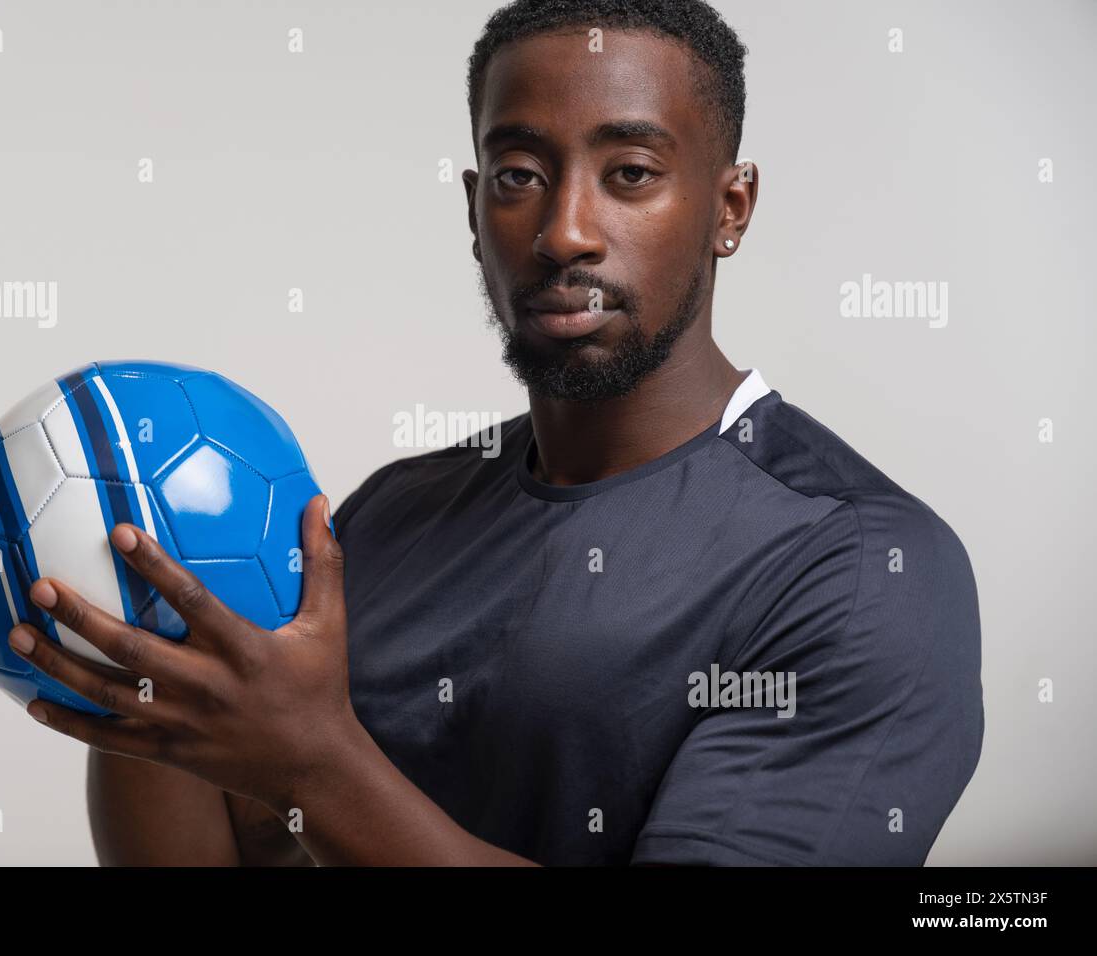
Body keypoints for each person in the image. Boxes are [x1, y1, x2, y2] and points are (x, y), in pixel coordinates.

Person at [68, 0, 983, 866]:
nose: (565, 232)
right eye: (520, 176)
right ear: (474, 209)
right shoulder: (390, 514)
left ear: (729, 209)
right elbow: (244, 834)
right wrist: (139, 646)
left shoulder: (861, 568)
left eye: (630, 173)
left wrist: (311, 761)